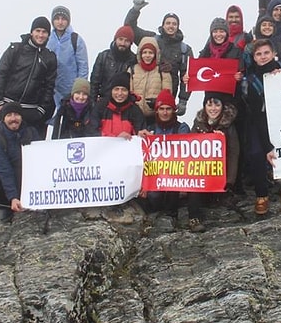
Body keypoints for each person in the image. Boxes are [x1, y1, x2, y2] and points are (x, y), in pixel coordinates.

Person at [140, 90, 205, 232]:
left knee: (188, 181)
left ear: (173, 110)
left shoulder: (182, 128)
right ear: (156, 111)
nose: (164, 112)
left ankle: (190, 216)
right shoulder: (150, 130)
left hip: (178, 174)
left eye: (168, 109)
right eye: (161, 109)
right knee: (152, 199)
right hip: (156, 177)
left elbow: (188, 155)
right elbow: (143, 159)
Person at [0, 16, 57, 139]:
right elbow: (0, 75)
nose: (40, 35)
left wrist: (41, 110)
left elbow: (49, 88)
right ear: (31, 32)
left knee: (26, 153)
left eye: (44, 32)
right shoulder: (15, 50)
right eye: (38, 31)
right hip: (7, 106)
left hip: (30, 112)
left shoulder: (50, 58)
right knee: (0, 147)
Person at [243, 39, 281, 215]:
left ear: (273, 53)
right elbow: (257, 114)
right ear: (254, 58)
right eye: (258, 54)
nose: (263, 57)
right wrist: (268, 146)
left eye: (266, 53)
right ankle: (261, 195)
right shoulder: (252, 79)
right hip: (261, 122)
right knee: (256, 153)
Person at [124, 0, 193, 116]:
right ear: (163, 25)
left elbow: (187, 77)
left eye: (174, 24)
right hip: (144, 94)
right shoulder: (151, 39)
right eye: (168, 23)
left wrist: (183, 101)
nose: (171, 26)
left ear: (178, 26)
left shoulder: (184, 50)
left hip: (168, 99)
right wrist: (135, 9)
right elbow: (129, 28)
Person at [0, 102, 39, 222]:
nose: (13, 119)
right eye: (9, 115)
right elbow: (5, 171)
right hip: (9, 177)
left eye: (16, 115)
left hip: (28, 175)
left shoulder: (32, 132)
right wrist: (13, 198)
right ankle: (5, 206)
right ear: (4, 118)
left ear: (21, 117)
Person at [192, 94, 240, 201]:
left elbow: (234, 153)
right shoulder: (198, 123)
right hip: (202, 172)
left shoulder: (229, 126)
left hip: (222, 174)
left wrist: (229, 181)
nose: (213, 109)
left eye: (217, 105)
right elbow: (191, 149)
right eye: (209, 105)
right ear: (204, 107)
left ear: (222, 106)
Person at [46, 6, 89, 114]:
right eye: (57, 18)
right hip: (49, 89)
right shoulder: (47, 39)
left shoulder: (76, 39)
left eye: (63, 19)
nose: (60, 22)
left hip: (69, 91)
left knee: (66, 123)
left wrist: (78, 91)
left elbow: (83, 66)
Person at [129, 37, 172, 127]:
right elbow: (129, 91)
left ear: (155, 54)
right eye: (144, 52)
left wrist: (157, 102)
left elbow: (167, 93)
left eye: (150, 53)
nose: (147, 55)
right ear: (140, 54)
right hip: (135, 115)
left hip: (155, 116)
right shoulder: (132, 69)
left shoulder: (162, 70)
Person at [93, 71, 146, 139]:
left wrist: (140, 134)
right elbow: (92, 132)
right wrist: (116, 138)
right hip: (104, 148)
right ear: (111, 90)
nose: (120, 93)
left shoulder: (135, 110)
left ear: (128, 92)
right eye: (116, 89)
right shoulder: (100, 107)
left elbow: (140, 131)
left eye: (124, 90)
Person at [90, 25, 137, 102]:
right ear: (115, 39)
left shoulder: (134, 60)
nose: (123, 43)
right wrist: (93, 104)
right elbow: (94, 83)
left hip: (124, 104)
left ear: (131, 43)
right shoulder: (103, 56)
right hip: (104, 102)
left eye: (127, 41)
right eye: (120, 39)